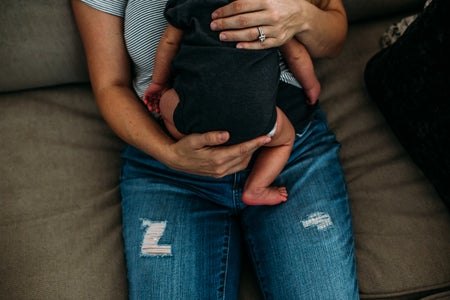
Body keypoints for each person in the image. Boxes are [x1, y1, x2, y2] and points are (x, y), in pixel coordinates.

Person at [72, 0, 359, 298]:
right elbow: (110, 85)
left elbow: (333, 37)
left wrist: (300, 16)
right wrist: (169, 155)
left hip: (291, 150)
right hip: (171, 162)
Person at [143, 0, 324, 206]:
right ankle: (257, 187)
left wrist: (159, 84)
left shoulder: (187, 3)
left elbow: (168, 43)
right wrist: (311, 86)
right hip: (257, 122)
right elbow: (296, 54)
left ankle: (182, 135)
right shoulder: (266, 8)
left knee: (167, 102)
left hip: (193, 117)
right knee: (285, 140)